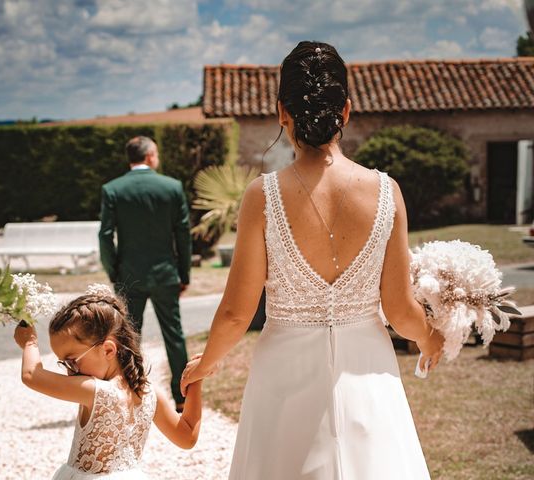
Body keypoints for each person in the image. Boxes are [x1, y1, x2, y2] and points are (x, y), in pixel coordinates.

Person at [180, 41, 445, 479]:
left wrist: (204, 364)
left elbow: (234, 313)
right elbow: (399, 311)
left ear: (282, 113)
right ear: (345, 110)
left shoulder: (260, 197)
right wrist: (432, 337)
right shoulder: (386, 192)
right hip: (368, 373)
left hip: (282, 379)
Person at [13, 288, 202, 479]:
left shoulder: (94, 390)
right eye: (64, 364)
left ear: (109, 350)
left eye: (72, 361)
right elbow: (187, 437)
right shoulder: (150, 393)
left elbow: (31, 375)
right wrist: (196, 380)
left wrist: (30, 343)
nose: (70, 371)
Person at [98, 136, 191, 411]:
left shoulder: (112, 189)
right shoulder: (172, 187)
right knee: (174, 335)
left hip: (129, 274)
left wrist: (114, 271)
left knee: (128, 338)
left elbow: (105, 235)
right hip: (165, 273)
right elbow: (182, 234)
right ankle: (182, 396)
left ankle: (131, 393)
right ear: (150, 156)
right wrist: (183, 274)